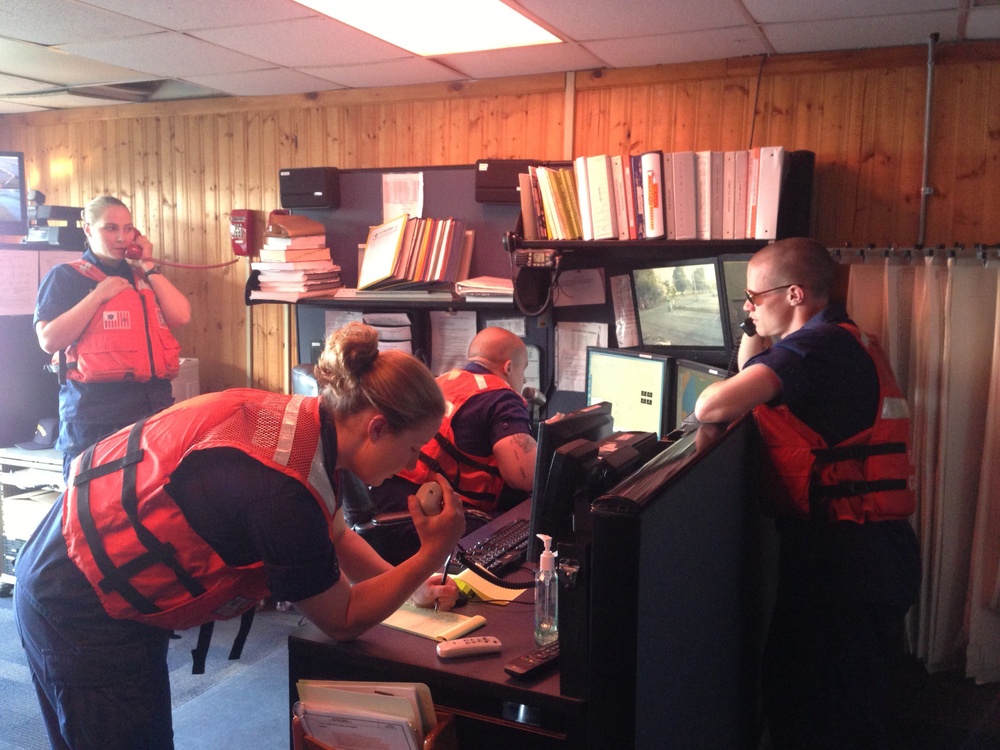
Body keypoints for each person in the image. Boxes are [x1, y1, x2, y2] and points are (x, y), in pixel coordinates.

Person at [13, 322, 466, 750]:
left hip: (71, 549)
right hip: (78, 600)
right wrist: (430, 554)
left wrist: (412, 589)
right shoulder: (280, 493)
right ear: (378, 427)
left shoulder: (309, 425)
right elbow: (342, 618)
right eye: (411, 449)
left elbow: (336, 535)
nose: (410, 467)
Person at [693, 237, 920, 750]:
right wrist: (755, 332)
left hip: (849, 560)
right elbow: (750, 368)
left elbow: (712, 405)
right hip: (860, 551)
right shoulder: (835, 339)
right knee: (816, 698)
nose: (748, 309)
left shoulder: (815, 348)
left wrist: (753, 341)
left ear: (794, 294)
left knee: (825, 714)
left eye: (754, 297)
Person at [33, 196, 192, 481]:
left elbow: (181, 316)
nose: (121, 237)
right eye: (110, 228)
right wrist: (97, 297)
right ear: (89, 230)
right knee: (92, 513)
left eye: (128, 228)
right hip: (95, 419)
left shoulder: (142, 275)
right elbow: (48, 340)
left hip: (151, 413)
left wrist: (148, 266)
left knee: (150, 507)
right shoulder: (65, 277)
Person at [362, 327, 538, 564]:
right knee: (523, 537)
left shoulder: (443, 380)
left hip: (387, 504)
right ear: (508, 367)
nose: (524, 380)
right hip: (423, 515)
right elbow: (524, 476)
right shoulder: (501, 396)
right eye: (523, 370)